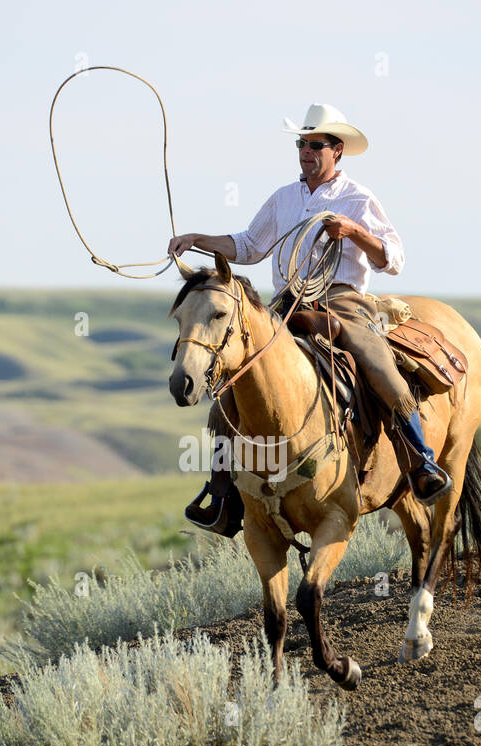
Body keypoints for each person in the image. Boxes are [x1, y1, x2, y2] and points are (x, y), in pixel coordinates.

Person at [168, 103, 453, 537]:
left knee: (380, 369)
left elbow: (392, 259)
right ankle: (223, 494)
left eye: (315, 144)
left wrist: (354, 232)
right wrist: (198, 240)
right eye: (301, 143)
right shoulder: (283, 197)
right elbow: (248, 245)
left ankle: (421, 463)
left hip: (341, 302)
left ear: (337, 150)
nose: (305, 151)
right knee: (230, 390)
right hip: (284, 305)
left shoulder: (358, 198)